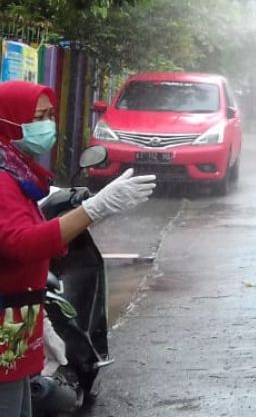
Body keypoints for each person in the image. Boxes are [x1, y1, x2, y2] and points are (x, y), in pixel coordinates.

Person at [0, 81, 156, 417]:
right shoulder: (2, 179)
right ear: (7, 121)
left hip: (16, 321)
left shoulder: (19, 173)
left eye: (50, 115)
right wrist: (94, 208)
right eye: (36, 116)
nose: (46, 124)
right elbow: (20, 243)